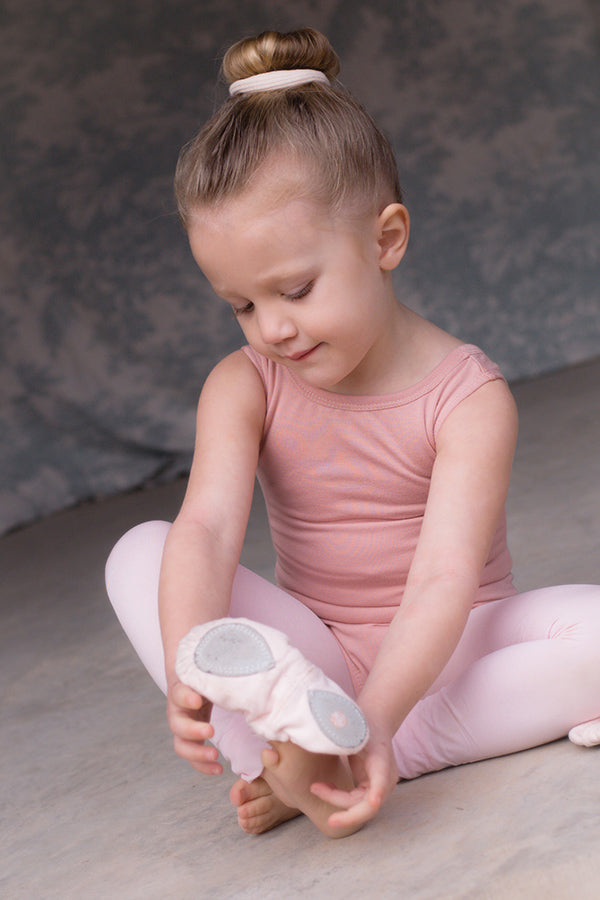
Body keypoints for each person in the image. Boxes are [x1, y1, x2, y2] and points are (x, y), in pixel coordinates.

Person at [105, 27, 600, 839]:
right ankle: (286, 743)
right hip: (311, 660)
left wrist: (372, 718)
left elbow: (443, 582)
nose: (272, 329)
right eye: (242, 305)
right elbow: (208, 530)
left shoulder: (468, 398)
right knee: (142, 553)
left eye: (295, 289)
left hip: (450, 652)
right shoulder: (243, 383)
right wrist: (190, 668)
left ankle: (345, 756)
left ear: (386, 240)